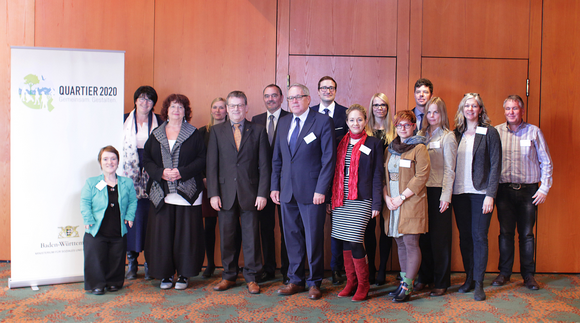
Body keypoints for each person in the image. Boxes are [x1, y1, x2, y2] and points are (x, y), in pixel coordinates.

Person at [271, 83, 336, 300]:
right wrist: (274, 186)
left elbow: (328, 160)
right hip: (287, 192)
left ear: (309, 99)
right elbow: (277, 159)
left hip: (312, 192)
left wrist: (322, 189)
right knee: (291, 237)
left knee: (313, 238)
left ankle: (315, 282)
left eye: (299, 97)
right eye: (291, 98)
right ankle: (295, 280)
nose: (295, 101)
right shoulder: (284, 123)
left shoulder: (322, 121)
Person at [207, 90, 270, 295]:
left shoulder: (259, 131)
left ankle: (252, 277)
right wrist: (213, 193)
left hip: (251, 193)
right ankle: (229, 275)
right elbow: (212, 165)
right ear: (227, 108)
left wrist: (262, 193)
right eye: (232, 105)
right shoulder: (217, 132)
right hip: (224, 193)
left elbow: (264, 166)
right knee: (227, 236)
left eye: (239, 105)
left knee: (252, 236)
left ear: (246, 107)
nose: (236, 109)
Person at [143, 94, 206, 290]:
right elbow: (147, 160)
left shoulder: (194, 133)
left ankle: (185, 274)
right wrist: (161, 173)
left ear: (185, 111)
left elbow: (202, 159)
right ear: (166, 111)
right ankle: (166, 275)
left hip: (188, 192)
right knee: (163, 236)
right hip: (162, 193)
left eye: (180, 107)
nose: (176, 110)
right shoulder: (156, 134)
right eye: (173, 107)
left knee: (186, 236)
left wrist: (181, 172)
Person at [492, 95, 553, 290]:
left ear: (522, 111)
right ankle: (504, 273)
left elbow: (546, 161)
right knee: (505, 233)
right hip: (504, 191)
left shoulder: (534, 132)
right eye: (508, 108)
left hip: (529, 191)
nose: (511, 112)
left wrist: (544, 187)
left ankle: (528, 275)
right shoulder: (497, 132)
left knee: (526, 234)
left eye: (515, 108)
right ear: (504, 111)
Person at [331, 104, 384, 302]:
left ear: (365, 121)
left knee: (355, 240)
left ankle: (363, 284)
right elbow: (332, 172)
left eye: (359, 119)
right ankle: (351, 282)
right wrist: (330, 199)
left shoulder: (374, 143)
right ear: (346, 122)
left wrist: (377, 204)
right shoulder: (338, 143)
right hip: (340, 198)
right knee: (344, 240)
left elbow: (378, 175)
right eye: (352, 120)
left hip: (361, 199)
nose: (356, 123)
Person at [452, 93, 502, 301]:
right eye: (467, 105)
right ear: (462, 109)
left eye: (474, 106)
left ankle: (480, 283)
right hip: (459, 193)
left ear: (481, 109)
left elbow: (496, 166)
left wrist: (491, 195)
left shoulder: (490, 132)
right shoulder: (456, 134)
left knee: (479, 237)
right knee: (465, 238)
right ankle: (469, 278)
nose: (470, 109)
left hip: (481, 194)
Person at [383, 110, 430, 302]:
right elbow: (383, 176)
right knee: (400, 243)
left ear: (413, 126)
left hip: (410, 201)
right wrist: (387, 198)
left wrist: (401, 197)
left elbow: (422, 177)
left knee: (410, 243)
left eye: (407, 125)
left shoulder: (419, 148)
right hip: (392, 202)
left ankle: (408, 286)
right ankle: (403, 283)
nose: (403, 128)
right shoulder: (389, 148)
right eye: (399, 125)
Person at [81, 146, 137, 295]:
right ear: (100, 162)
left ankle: (113, 282)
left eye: (113, 158)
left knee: (116, 256)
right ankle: (96, 284)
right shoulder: (91, 183)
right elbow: (85, 202)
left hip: (117, 228)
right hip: (97, 229)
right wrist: (87, 218)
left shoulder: (127, 183)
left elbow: (133, 201)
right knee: (95, 257)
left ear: (118, 162)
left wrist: (130, 216)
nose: (109, 162)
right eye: (105, 159)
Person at [415, 97, 457, 296]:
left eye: (436, 112)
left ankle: (441, 281)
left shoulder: (448, 137)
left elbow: (450, 170)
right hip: (421, 192)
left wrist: (446, 196)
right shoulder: (421, 135)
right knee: (423, 238)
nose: (432, 116)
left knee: (439, 240)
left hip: (439, 192)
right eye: (429, 112)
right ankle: (425, 277)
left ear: (442, 114)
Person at [310, 76, 348, 285]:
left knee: (338, 226)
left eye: (331, 88)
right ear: (318, 91)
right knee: (314, 225)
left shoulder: (345, 113)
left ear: (335, 90)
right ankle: (314, 268)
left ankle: (336, 268)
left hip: (339, 178)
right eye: (323, 87)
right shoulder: (310, 114)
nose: (327, 91)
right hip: (315, 178)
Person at [251, 84, 291, 284]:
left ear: (282, 98)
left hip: (286, 182)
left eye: (274, 95)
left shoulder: (290, 118)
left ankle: (287, 270)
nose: (270, 99)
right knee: (265, 229)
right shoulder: (256, 120)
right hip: (262, 184)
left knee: (287, 229)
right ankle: (268, 269)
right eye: (266, 96)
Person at [122, 85, 162, 281]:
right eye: (142, 98)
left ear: (154, 103)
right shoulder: (122, 120)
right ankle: (131, 262)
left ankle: (149, 262)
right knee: (132, 216)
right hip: (129, 174)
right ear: (135, 100)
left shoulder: (160, 122)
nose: (145, 103)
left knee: (151, 218)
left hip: (153, 173)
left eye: (149, 99)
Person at [197, 97, 235, 278]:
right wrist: (205, 178)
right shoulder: (202, 132)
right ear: (211, 110)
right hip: (207, 185)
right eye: (215, 107)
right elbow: (199, 159)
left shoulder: (233, 130)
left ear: (227, 110)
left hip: (229, 184)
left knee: (231, 225)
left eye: (221, 107)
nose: (218, 111)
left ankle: (233, 265)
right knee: (209, 226)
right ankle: (210, 263)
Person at [365, 93, 397, 286]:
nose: (379, 108)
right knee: (368, 230)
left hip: (391, 185)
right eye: (376, 104)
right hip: (370, 185)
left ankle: (383, 268)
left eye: (383, 104)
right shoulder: (365, 130)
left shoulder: (394, 132)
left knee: (386, 230)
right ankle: (371, 268)